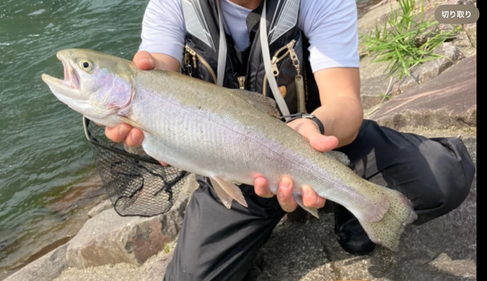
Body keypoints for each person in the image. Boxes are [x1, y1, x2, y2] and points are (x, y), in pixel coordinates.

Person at [104, 0, 475, 280]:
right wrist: (144, 98)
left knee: (442, 177)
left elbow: (344, 104)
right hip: (235, 171)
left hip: (318, 145)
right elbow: (156, 70)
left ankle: (351, 207)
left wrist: (313, 127)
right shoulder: (170, 6)